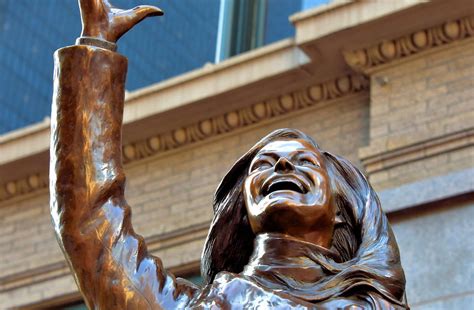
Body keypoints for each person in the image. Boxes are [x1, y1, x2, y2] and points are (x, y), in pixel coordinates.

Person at [50, 0, 408, 308]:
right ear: (244, 213)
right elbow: (91, 226)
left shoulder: (372, 305)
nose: (282, 164)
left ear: (343, 213)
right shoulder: (208, 305)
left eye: (304, 163)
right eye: (263, 165)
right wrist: (96, 46)